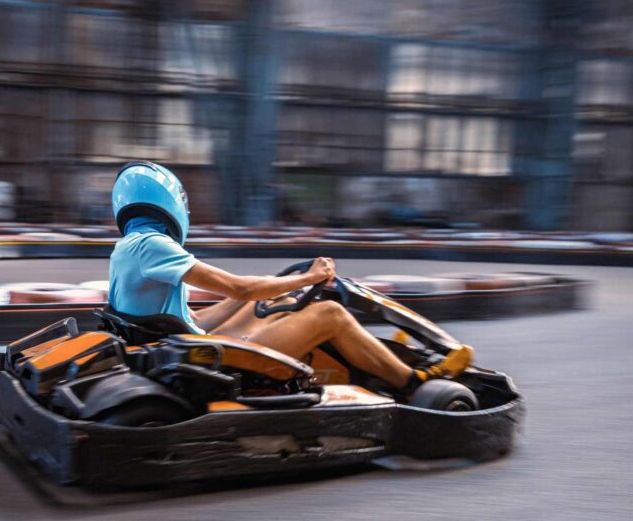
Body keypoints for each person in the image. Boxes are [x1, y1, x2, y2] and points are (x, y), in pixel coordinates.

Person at [107, 161, 471, 394]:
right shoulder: (153, 246)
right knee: (330, 315)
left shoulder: (126, 248)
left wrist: (267, 288)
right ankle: (411, 381)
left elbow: (191, 318)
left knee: (269, 302)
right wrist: (307, 277)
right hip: (210, 362)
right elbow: (240, 286)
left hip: (183, 346)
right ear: (169, 200)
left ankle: (381, 359)